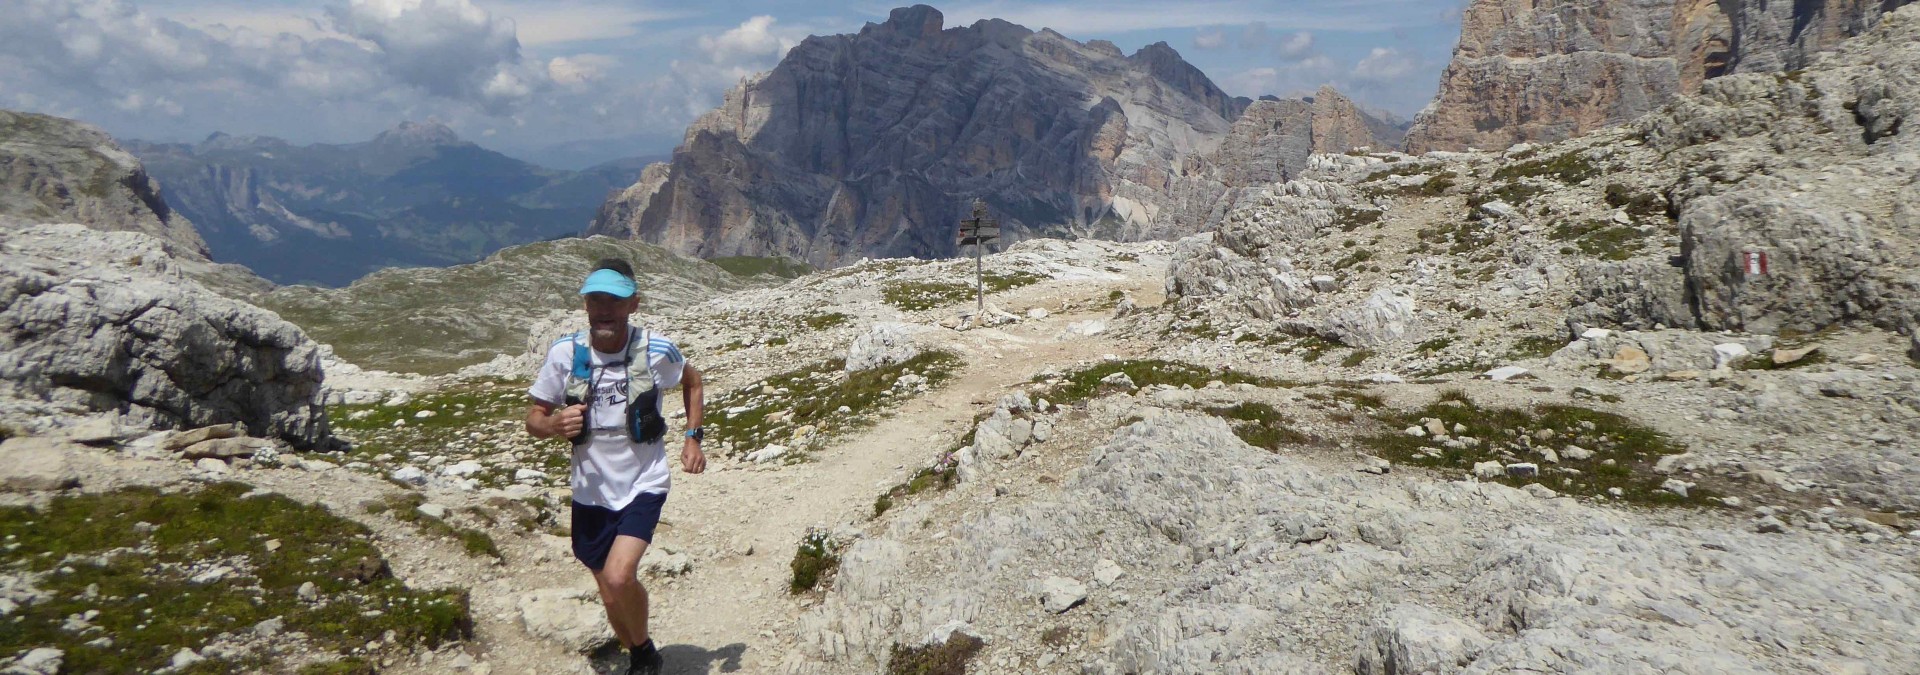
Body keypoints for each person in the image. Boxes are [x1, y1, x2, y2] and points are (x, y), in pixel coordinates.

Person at [525, 258, 707, 675]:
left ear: (633, 305)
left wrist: (692, 439)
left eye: (615, 300)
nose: (604, 308)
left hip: (644, 481)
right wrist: (553, 424)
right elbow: (534, 417)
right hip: (589, 491)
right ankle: (641, 651)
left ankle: (643, 655)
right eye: (595, 299)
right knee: (609, 593)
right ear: (586, 304)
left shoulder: (657, 350)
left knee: (620, 576)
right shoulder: (565, 353)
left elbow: (693, 382)